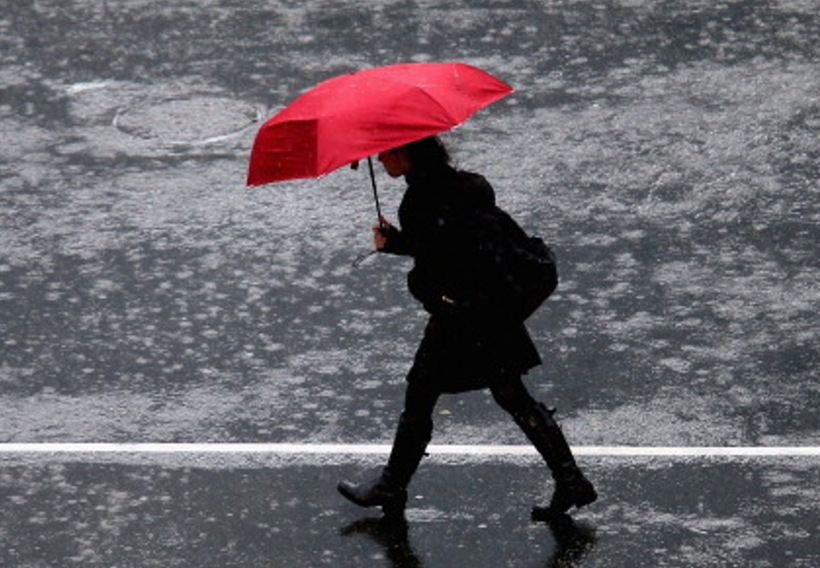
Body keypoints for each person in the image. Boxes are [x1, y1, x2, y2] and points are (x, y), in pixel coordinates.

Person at [337, 136, 597, 519]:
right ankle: (571, 480)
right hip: (493, 307)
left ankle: (392, 485)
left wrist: (410, 267)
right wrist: (401, 243)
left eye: (386, 149)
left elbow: (436, 265)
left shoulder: (420, 201)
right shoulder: (465, 186)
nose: (379, 156)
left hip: (462, 316)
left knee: (421, 394)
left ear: (405, 152)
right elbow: (452, 242)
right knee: (511, 394)